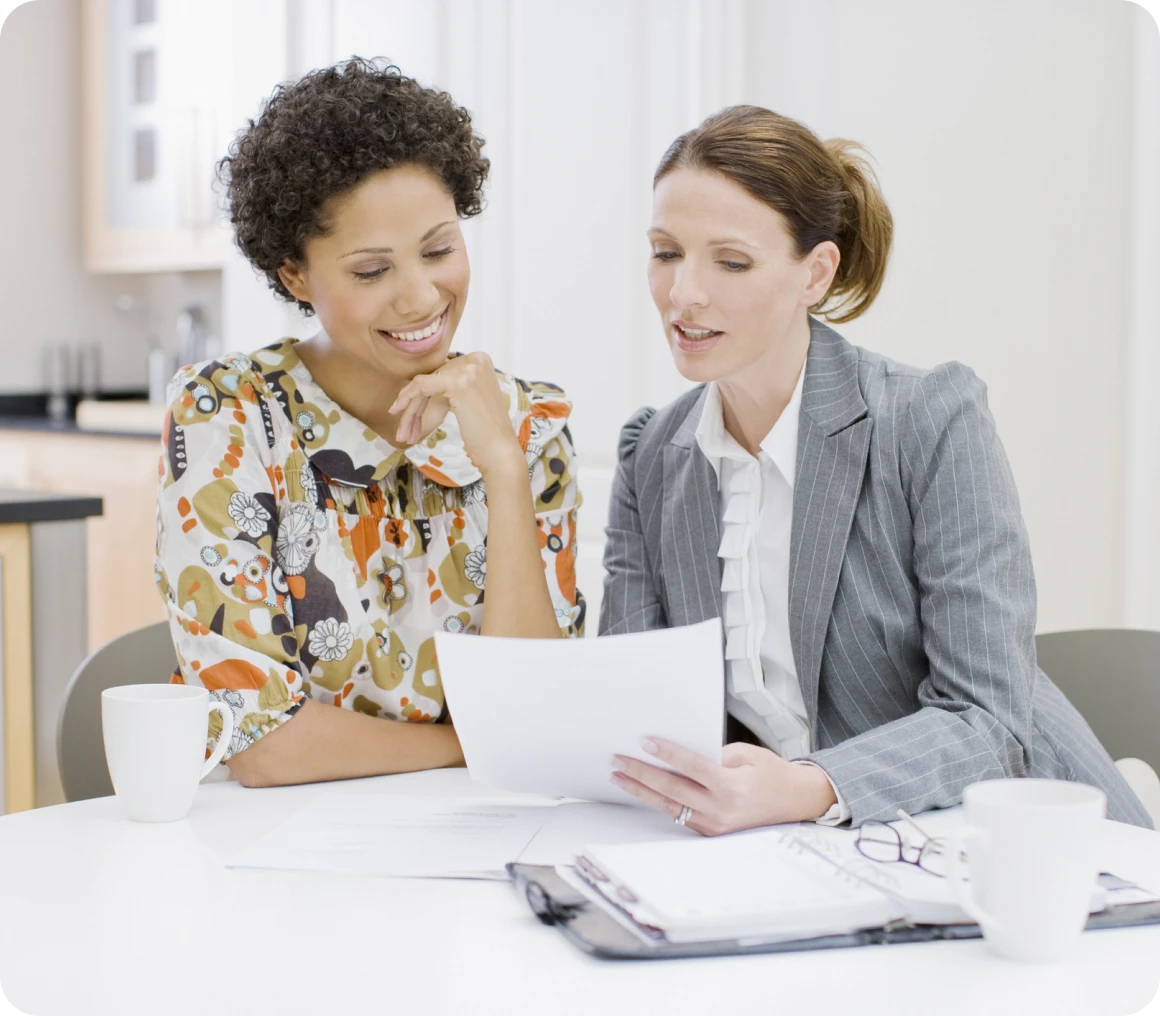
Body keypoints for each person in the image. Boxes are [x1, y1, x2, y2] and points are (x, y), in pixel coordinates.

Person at [600, 105, 1151, 831]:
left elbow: (988, 719)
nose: (683, 293)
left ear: (815, 273)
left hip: (1021, 841)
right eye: (666, 252)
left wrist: (805, 787)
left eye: (730, 262)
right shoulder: (651, 456)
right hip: (815, 854)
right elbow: (634, 712)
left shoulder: (929, 421)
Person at [155, 59, 583, 789]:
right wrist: (474, 744)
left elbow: (543, 712)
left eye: (439, 250)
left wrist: (505, 472)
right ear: (295, 275)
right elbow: (261, 744)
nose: (420, 297)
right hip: (278, 841)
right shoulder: (227, 417)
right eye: (371, 271)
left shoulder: (530, 425)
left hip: (487, 833)